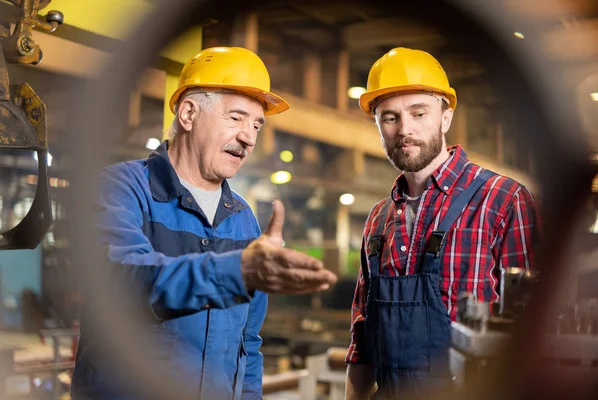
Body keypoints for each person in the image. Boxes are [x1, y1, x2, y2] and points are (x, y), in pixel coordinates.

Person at [71, 46, 337, 400]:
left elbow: (249, 343)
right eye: (236, 117)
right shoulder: (121, 189)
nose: (249, 137)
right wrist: (237, 272)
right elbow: (125, 280)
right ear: (188, 113)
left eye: (257, 124)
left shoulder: (243, 220)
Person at [344, 47, 540, 399]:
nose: (405, 129)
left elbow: (538, 330)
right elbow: (362, 336)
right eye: (389, 118)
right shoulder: (378, 219)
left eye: (419, 113)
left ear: (445, 118)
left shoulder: (503, 200)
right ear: (377, 125)